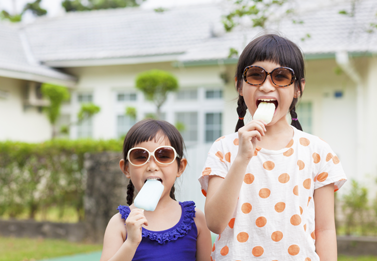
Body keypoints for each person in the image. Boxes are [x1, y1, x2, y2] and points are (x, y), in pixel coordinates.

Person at [199, 34, 347, 261]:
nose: (267, 86)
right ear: (239, 85)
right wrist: (241, 159)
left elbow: (325, 230)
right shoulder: (224, 149)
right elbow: (215, 224)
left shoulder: (317, 151)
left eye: (281, 76)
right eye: (256, 75)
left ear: (298, 88)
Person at [100, 119, 212, 261]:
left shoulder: (196, 220)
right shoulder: (119, 224)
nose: (152, 166)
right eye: (140, 157)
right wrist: (131, 243)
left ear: (180, 167)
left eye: (164, 156)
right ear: (126, 168)